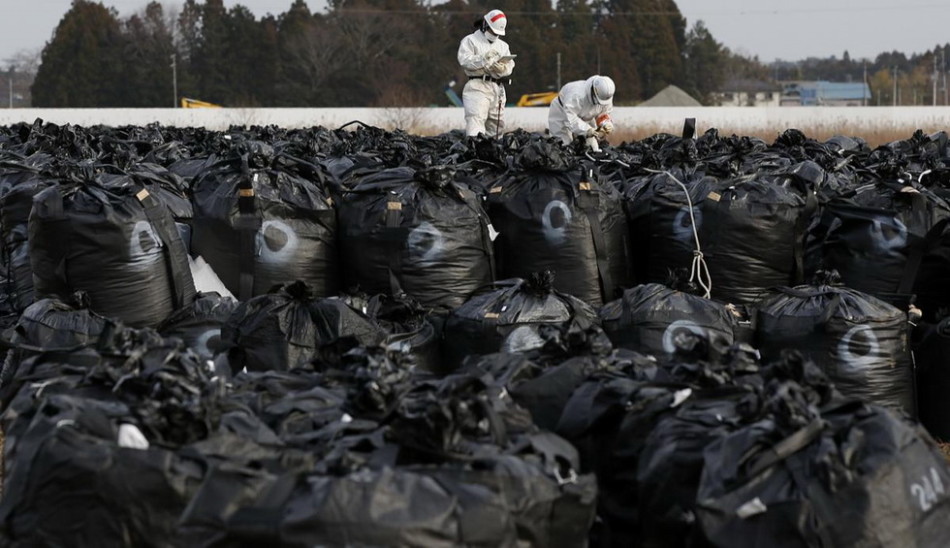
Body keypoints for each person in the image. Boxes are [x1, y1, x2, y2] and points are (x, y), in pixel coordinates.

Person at [457, 9, 515, 137]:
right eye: (492, 31)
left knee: (496, 126)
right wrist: (483, 59)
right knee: (476, 120)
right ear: (485, 25)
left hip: (497, 88)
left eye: (497, 33)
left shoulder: (503, 46)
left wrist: (502, 69)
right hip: (477, 86)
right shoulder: (470, 41)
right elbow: (464, 60)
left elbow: (510, 65)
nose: (494, 34)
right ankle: (476, 151)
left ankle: (492, 153)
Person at [548, 75, 616, 151]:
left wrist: (606, 124)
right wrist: (587, 130)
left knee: (592, 147)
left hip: (586, 117)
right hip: (561, 112)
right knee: (563, 145)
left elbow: (603, 112)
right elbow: (571, 120)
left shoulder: (605, 96)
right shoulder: (576, 95)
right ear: (594, 91)